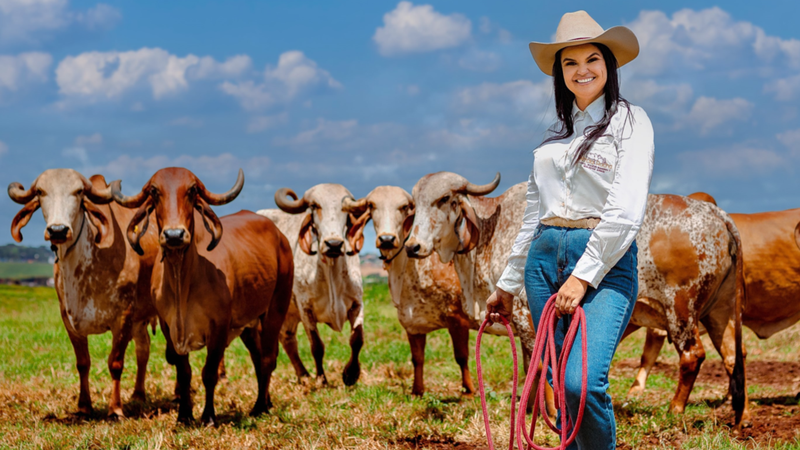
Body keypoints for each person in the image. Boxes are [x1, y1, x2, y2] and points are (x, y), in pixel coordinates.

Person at [486, 10, 654, 450]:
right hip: (542, 261)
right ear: (560, 74)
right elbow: (531, 219)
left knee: (582, 383)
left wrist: (582, 276)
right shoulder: (551, 143)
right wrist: (505, 286)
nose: (582, 71)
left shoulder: (630, 123)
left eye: (591, 60)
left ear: (608, 65)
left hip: (600, 261)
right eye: (570, 63)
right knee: (559, 384)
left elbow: (625, 210)